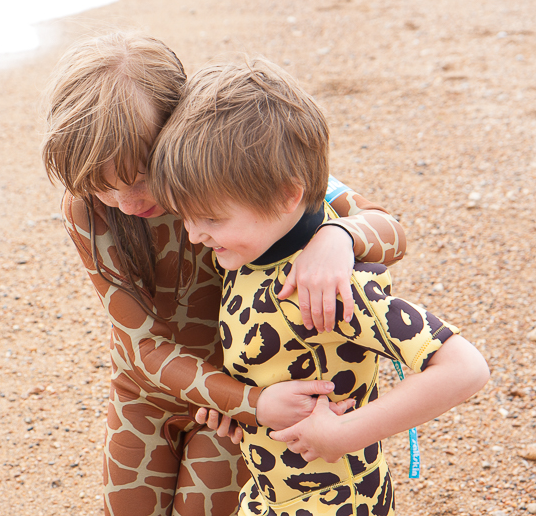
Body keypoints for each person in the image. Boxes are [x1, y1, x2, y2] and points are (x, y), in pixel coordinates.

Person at [41, 31, 408, 516]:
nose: (126, 203)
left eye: (138, 177)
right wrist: (246, 400)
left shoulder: (231, 174)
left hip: (238, 395)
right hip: (152, 393)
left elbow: (390, 229)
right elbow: (141, 346)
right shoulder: (89, 210)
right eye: (104, 187)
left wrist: (338, 238)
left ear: (181, 125)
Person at [148, 57, 490, 516]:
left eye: (211, 218)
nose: (193, 235)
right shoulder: (251, 253)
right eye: (185, 215)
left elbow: (465, 368)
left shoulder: (325, 284)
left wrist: (344, 434)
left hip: (337, 500)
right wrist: (242, 408)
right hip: (269, 492)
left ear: (288, 194)